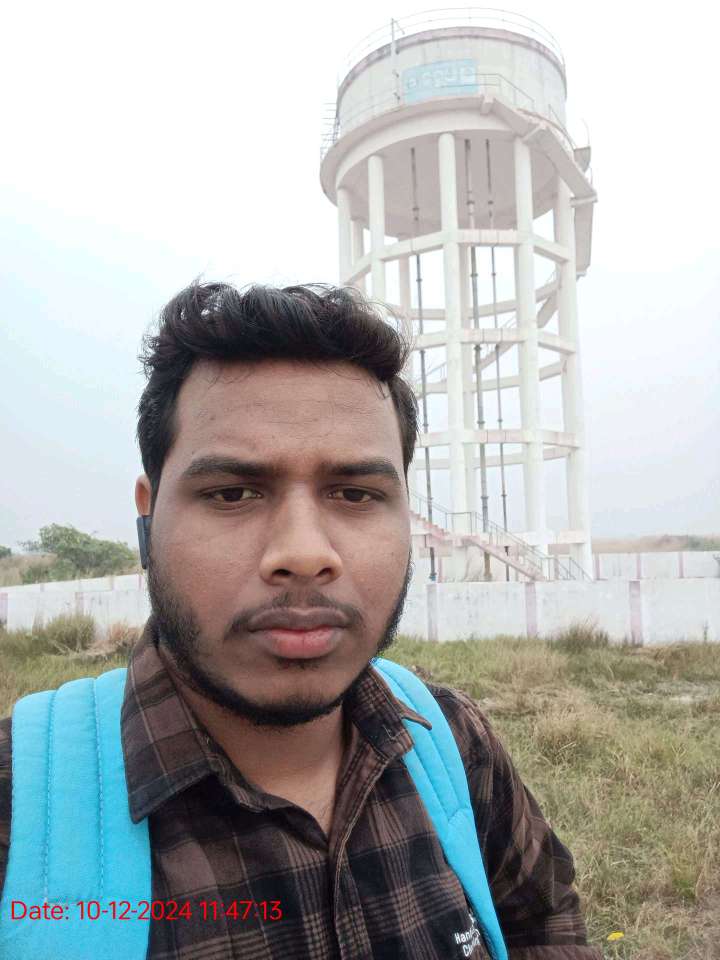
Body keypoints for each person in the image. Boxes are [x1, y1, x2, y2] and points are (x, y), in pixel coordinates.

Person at [0, 281, 602, 958]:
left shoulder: (454, 744)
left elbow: (543, 924)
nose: (304, 554)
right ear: (148, 517)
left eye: (355, 493)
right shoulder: (16, 808)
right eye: (233, 493)